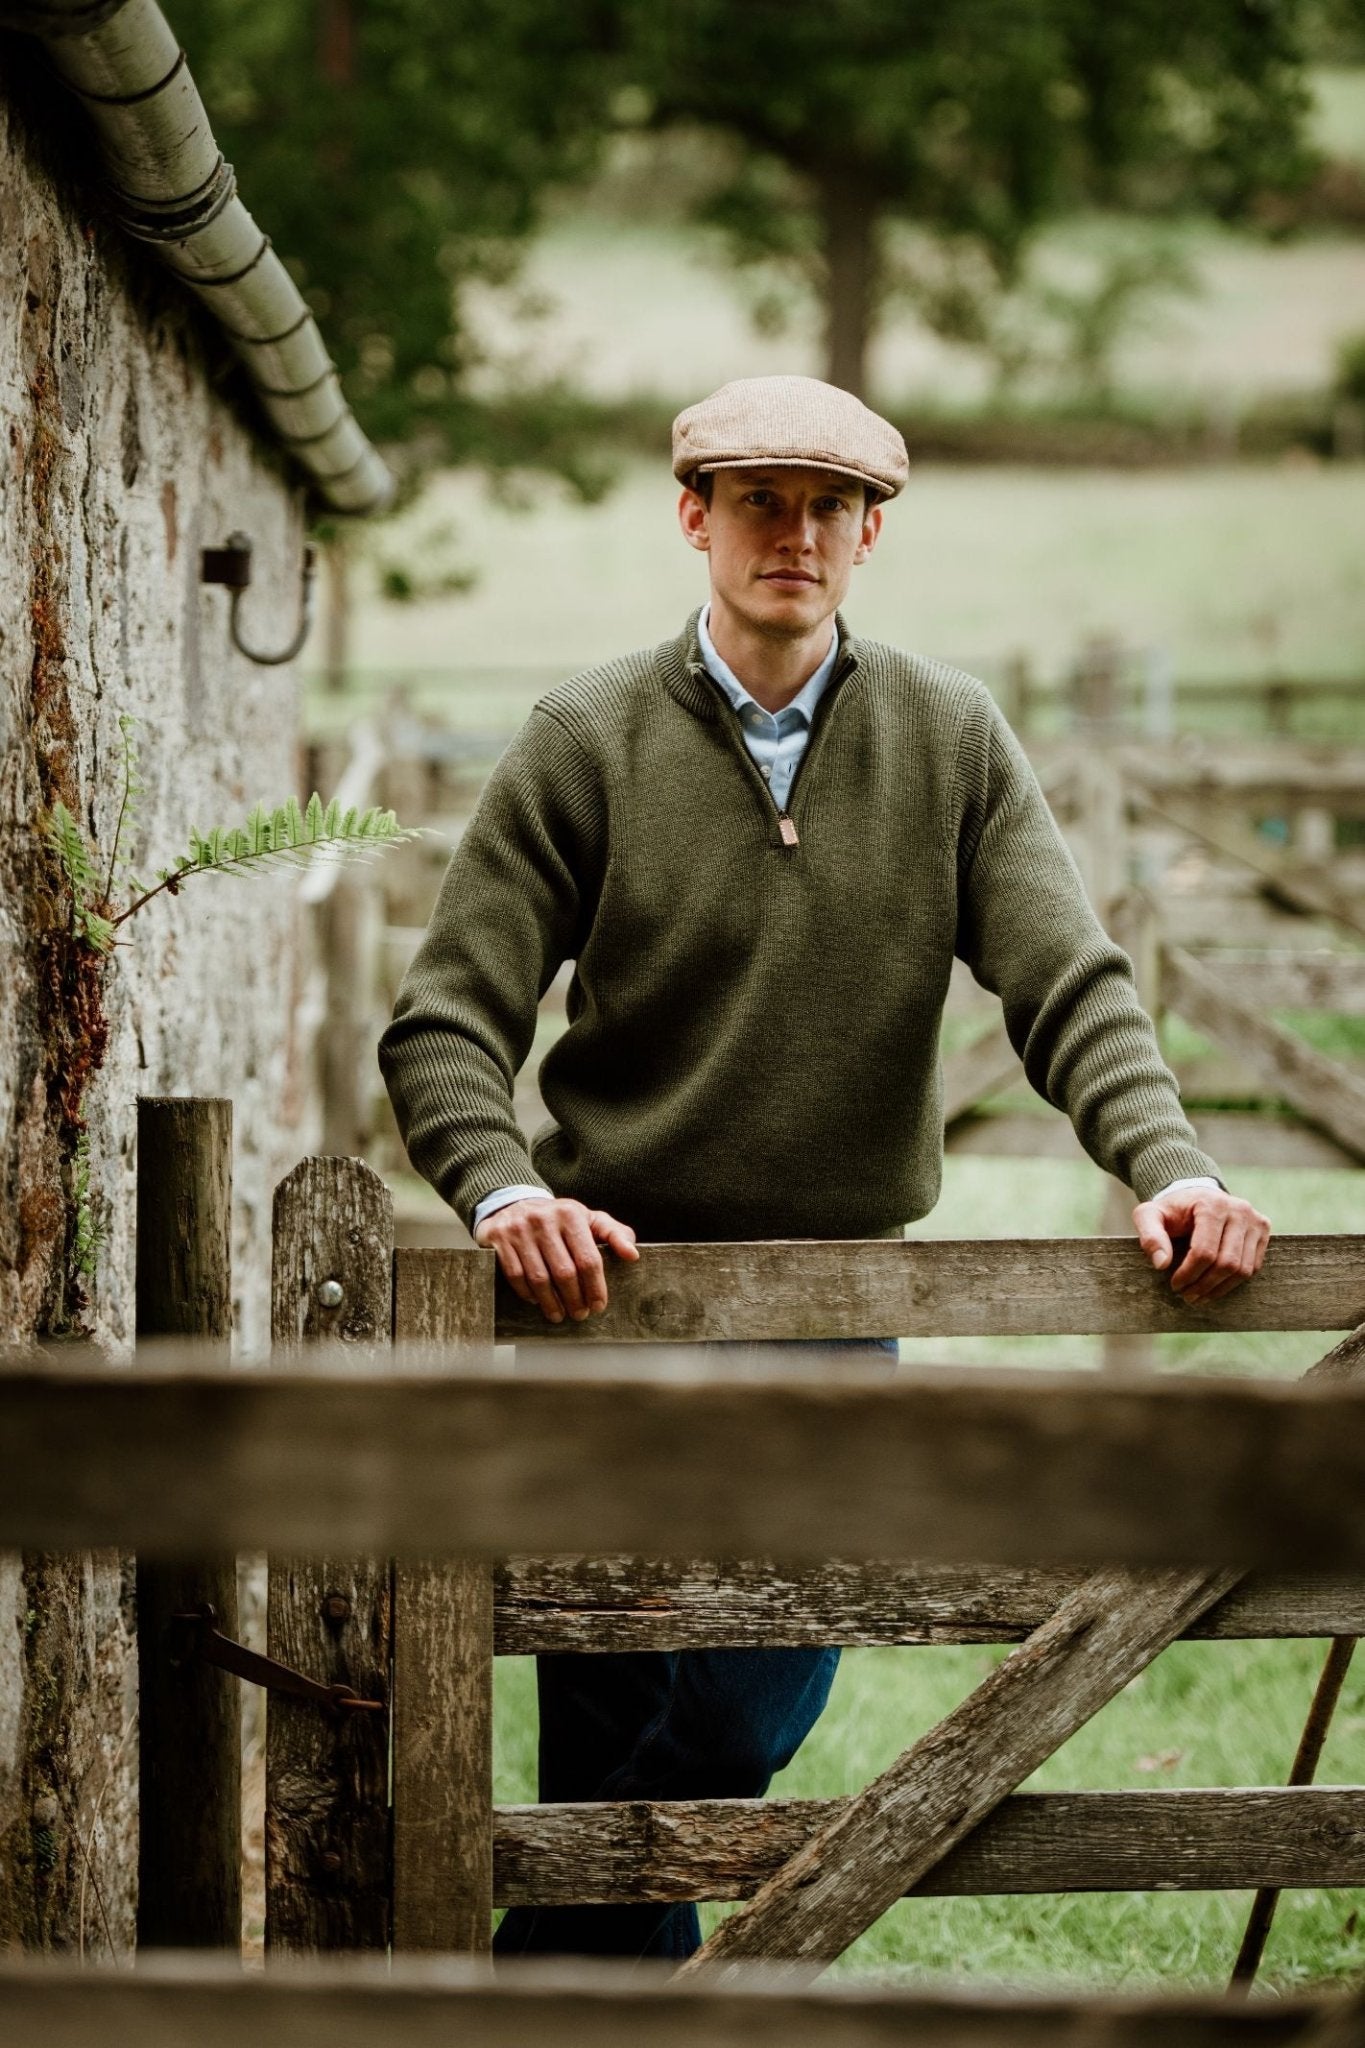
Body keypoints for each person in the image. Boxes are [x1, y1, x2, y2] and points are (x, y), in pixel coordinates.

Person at [378, 373, 1271, 1961]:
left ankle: (546, 1985)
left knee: (752, 1693)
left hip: (832, 1307)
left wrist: (1169, 1164)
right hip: (604, 1310)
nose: (793, 534)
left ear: (872, 536)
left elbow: (1066, 985)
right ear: (692, 518)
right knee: (600, 1730)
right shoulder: (582, 741)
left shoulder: (950, 737)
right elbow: (445, 1024)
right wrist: (509, 1193)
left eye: (827, 508)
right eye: (758, 502)